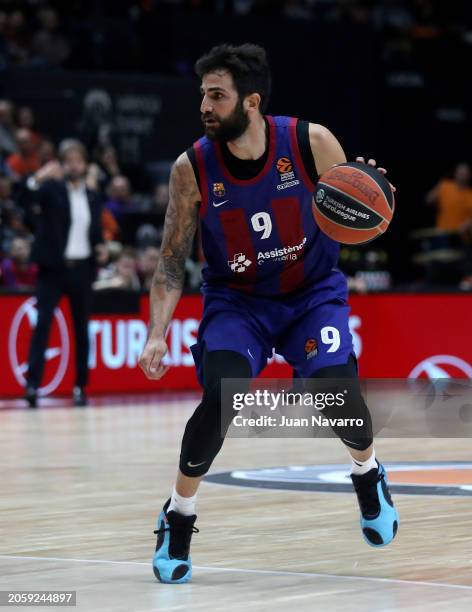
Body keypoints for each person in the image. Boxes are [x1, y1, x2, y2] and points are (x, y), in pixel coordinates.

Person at [139, 44, 399, 585]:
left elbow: (363, 211)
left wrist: (373, 197)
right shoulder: (191, 168)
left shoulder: (311, 142)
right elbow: (170, 260)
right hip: (238, 301)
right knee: (223, 394)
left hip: (312, 294)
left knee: (339, 394)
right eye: (203, 95)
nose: (205, 106)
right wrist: (156, 333)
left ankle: (368, 473)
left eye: (217, 95)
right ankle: (178, 516)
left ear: (251, 102)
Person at [24, 139, 106, 408]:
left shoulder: (92, 195)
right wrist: (38, 177)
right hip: (53, 270)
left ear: (84, 164)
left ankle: (81, 387)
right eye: (69, 160)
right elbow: (25, 201)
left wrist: (100, 248)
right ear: (61, 164)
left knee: (82, 329)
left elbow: (94, 233)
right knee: (43, 326)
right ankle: (33, 385)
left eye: (78, 160)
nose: (74, 165)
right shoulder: (52, 190)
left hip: (81, 269)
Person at [426, 162, 472, 232]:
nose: (462, 175)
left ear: (469, 175)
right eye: (460, 172)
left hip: (461, 235)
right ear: (455, 173)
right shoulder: (445, 186)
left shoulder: (470, 194)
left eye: (465, 173)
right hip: (442, 233)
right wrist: (438, 189)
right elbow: (428, 201)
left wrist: (468, 224)